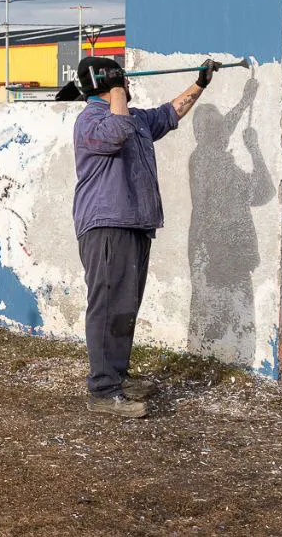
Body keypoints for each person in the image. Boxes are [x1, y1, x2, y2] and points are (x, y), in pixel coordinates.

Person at [72, 55, 220, 418]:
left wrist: (200, 84)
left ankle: (117, 378)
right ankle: (103, 391)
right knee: (107, 308)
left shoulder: (134, 118)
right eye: (122, 79)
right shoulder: (90, 120)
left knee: (124, 307)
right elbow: (116, 133)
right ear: (109, 85)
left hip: (136, 224)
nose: (129, 84)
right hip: (107, 225)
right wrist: (118, 90)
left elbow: (169, 114)